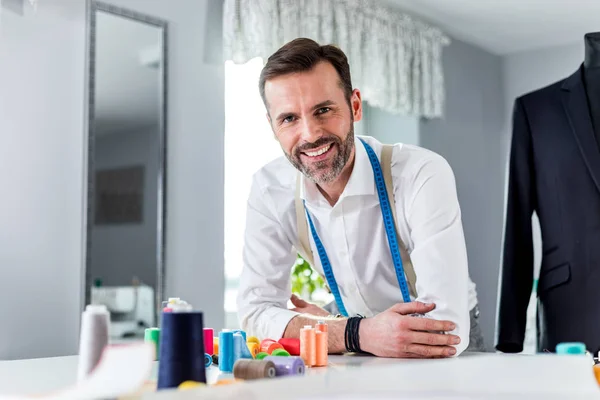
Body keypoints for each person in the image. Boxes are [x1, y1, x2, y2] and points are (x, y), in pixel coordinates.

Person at [236, 37, 484, 358]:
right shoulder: (270, 190)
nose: (310, 135)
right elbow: (254, 313)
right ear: (272, 126)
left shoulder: (421, 173)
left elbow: (444, 330)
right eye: (289, 118)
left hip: (441, 346)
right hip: (358, 338)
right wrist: (353, 332)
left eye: (323, 110)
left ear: (355, 106)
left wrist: (326, 330)